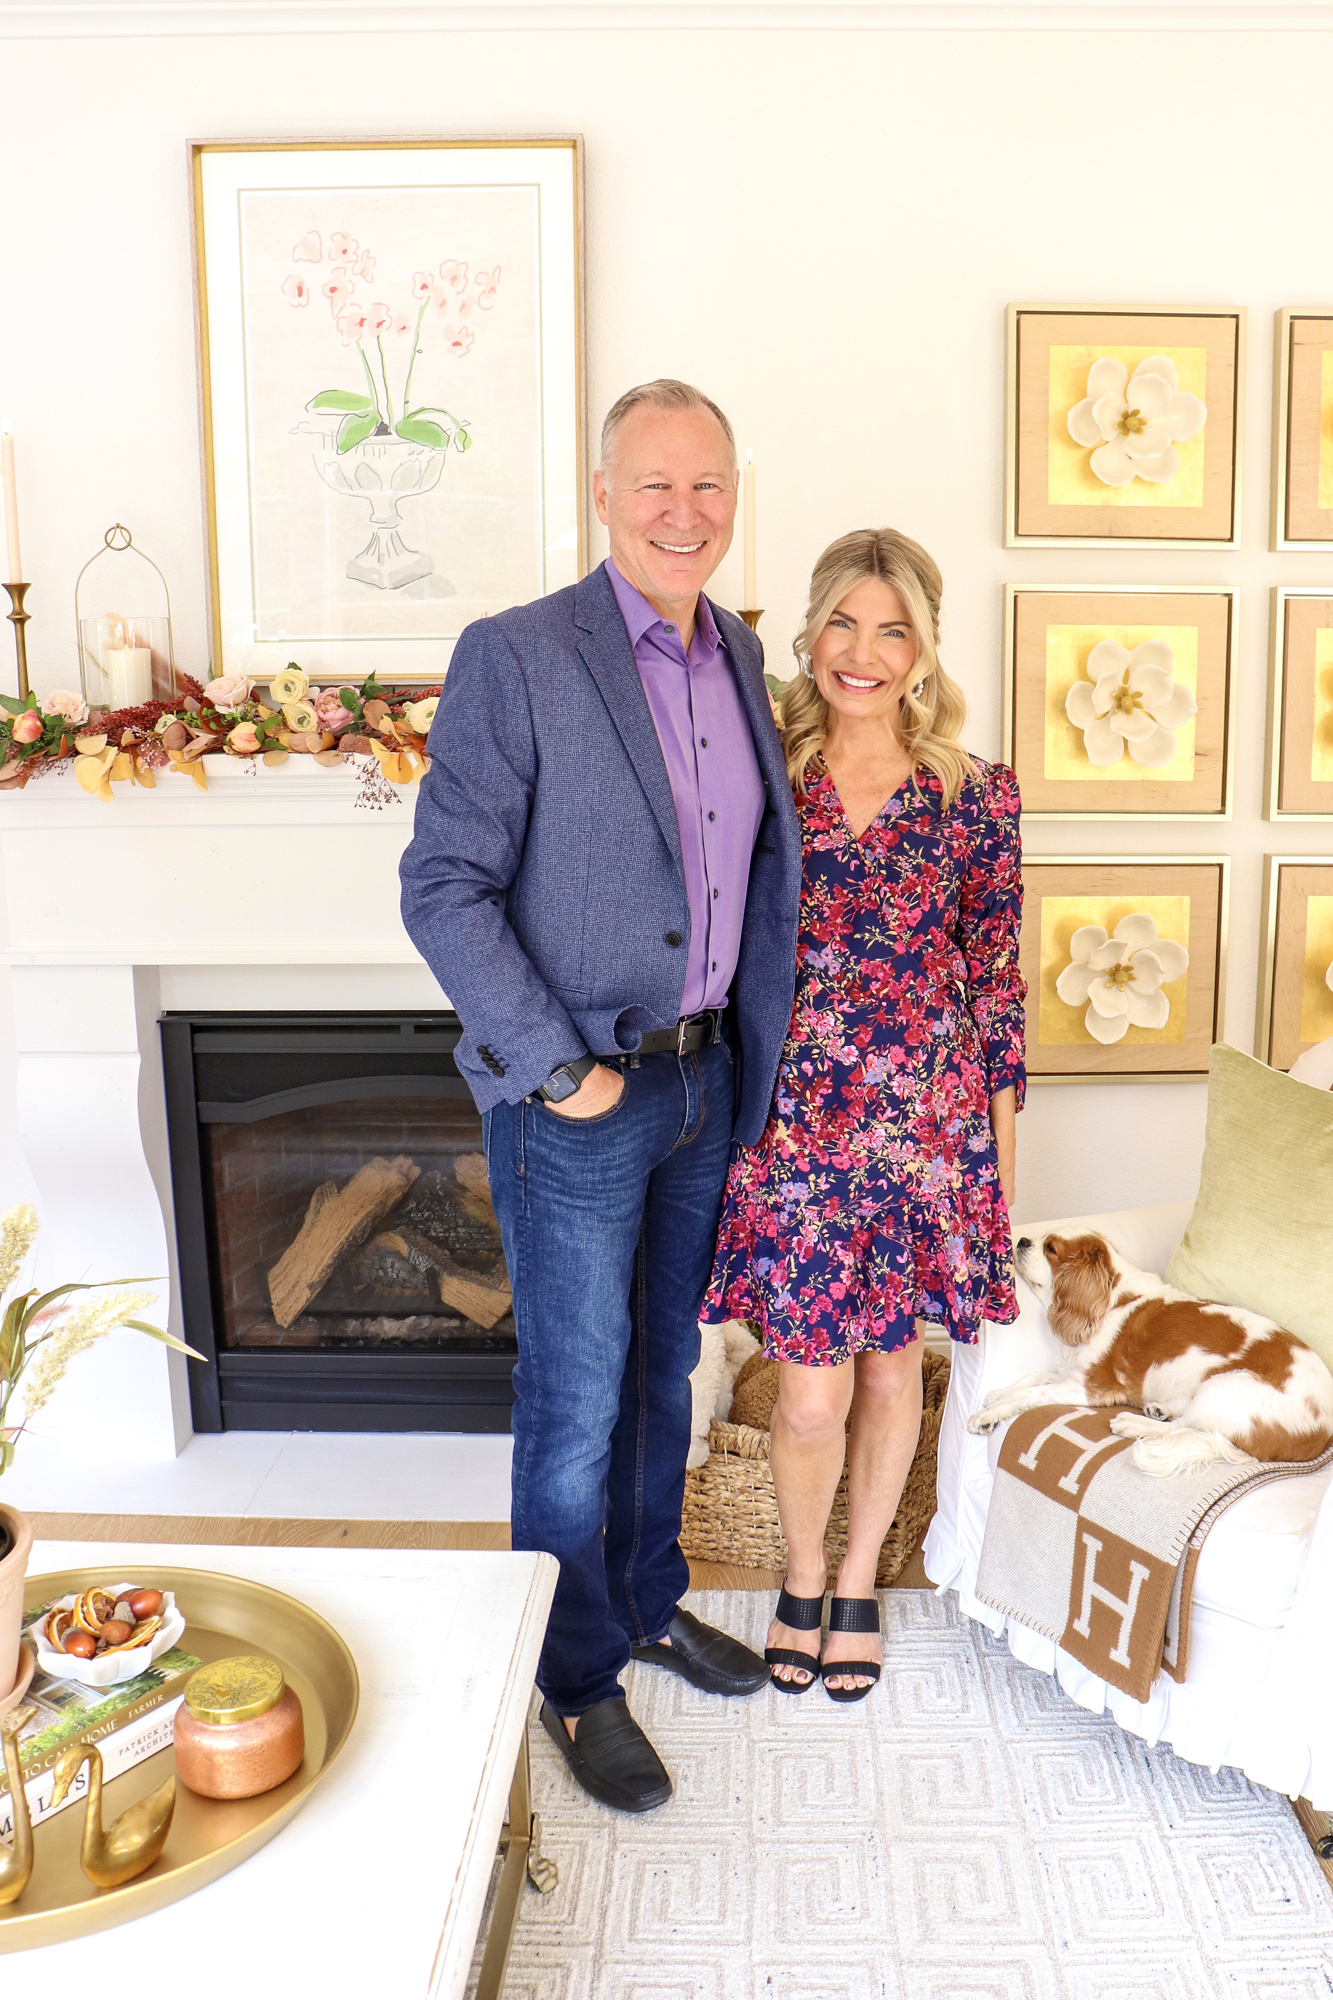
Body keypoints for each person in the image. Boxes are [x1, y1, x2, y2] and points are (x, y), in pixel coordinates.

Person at [399, 379, 802, 1812]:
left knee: (660, 1370)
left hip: (703, 1079)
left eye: (708, 484)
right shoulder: (517, 656)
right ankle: (572, 1677)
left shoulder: (738, 647)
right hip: (578, 1092)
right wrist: (558, 1070)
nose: (684, 512)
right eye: (654, 485)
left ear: (734, 494)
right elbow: (441, 885)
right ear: (601, 496)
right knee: (573, 1399)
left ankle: (640, 1603)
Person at [704, 528, 1026, 1702]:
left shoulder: (974, 793)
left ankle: (851, 1584)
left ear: (925, 647)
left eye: (893, 629)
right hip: (795, 1132)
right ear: (809, 630)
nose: (864, 651)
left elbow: (994, 981)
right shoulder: (761, 773)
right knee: (809, 1389)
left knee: (894, 1377)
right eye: (843, 621)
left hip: (923, 1134)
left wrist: (996, 1172)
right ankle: (798, 1574)